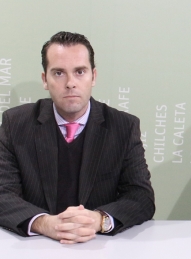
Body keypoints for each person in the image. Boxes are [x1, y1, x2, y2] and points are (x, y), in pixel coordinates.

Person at [0, 31, 155, 243]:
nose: (70, 83)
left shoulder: (123, 127)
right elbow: (2, 193)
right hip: (34, 246)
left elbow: (141, 197)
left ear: (94, 76)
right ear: (45, 80)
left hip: (100, 248)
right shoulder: (15, 124)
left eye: (80, 72)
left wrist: (98, 220)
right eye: (59, 73)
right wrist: (45, 223)